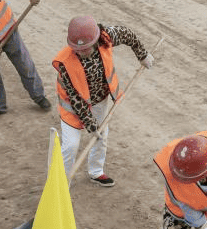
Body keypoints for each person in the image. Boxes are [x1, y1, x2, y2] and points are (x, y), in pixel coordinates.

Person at [52, 15, 153, 187]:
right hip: (72, 107)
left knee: (101, 137)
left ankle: (96, 172)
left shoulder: (106, 37)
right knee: (70, 146)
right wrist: (91, 125)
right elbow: (75, 98)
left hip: (99, 100)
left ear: (95, 40)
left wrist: (142, 55)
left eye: (85, 48)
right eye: (77, 49)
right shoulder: (65, 63)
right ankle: (60, 184)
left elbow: (128, 34)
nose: (81, 52)